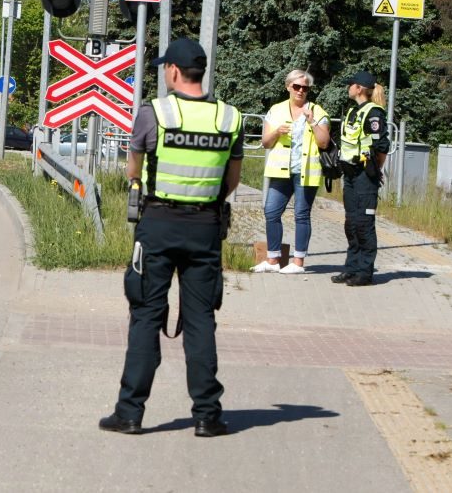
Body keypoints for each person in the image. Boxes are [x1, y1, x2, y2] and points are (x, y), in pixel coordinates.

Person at [99, 37, 243, 438]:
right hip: (205, 228)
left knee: (146, 315)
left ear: (174, 72)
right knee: (201, 320)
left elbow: (133, 169)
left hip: (158, 225)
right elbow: (232, 181)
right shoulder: (230, 118)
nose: (164, 73)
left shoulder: (154, 114)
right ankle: (207, 415)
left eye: (165, 68)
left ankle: (129, 413)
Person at [251, 70, 331, 274]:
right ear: (288, 87)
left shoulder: (317, 111)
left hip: (306, 172)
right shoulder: (276, 110)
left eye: (305, 88)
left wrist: (312, 121)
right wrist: (276, 132)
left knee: (301, 215)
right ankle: (273, 259)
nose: (301, 91)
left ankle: (298, 263)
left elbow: (323, 143)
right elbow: (265, 143)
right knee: (271, 211)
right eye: (297, 87)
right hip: (281, 171)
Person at [332, 71, 390, 287]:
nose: (348, 88)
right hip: (350, 175)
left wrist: (375, 170)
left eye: (351, 84)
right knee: (351, 223)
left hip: (366, 175)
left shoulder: (374, 113)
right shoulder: (354, 111)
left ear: (358, 88)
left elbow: (382, 147)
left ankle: (364, 272)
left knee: (364, 224)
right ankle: (351, 268)